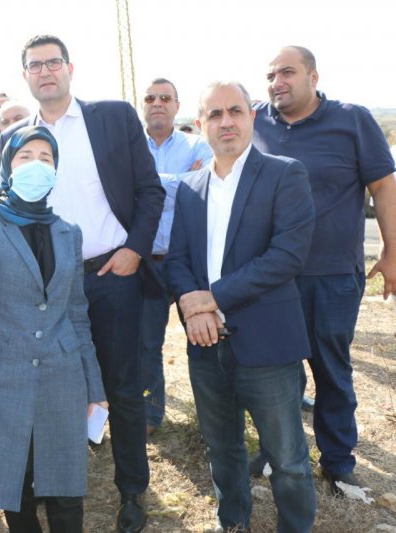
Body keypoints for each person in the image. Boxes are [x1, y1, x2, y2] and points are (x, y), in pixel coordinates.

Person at [1, 34, 164, 532]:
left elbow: (149, 190)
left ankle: (132, 491)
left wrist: (134, 250)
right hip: (49, 288)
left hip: (113, 274)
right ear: (25, 76)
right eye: (35, 66)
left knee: (122, 386)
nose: (45, 71)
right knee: (53, 389)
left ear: (69, 69)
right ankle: (56, 486)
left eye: (53, 62)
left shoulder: (112, 117)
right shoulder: (18, 138)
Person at [0, 125, 107, 533]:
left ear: (56, 169)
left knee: (66, 488)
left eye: (46, 158)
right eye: (25, 156)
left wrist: (94, 388)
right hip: (2, 372)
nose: (36, 165)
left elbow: (76, 313)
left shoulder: (68, 232)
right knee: (15, 483)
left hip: (61, 374)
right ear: (8, 165)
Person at [166, 81, 316, 533]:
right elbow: (177, 260)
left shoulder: (284, 174)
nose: (225, 121)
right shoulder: (190, 187)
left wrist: (214, 297)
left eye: (235, 110)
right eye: (215, 114)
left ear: (252, 116)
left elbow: (287, 256)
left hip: (268, 342)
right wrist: (195, 310)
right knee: (222, 448)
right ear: (200, 124)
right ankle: (232, 522)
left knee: (287, 458)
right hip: (205, 343)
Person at [252, 46, 396, 494]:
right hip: (271, 274)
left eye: (287, 72)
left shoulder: (352, 120)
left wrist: (391, 251)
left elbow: (383, 185)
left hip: (332, 274)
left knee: (331, 370)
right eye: (270, 75)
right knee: (276, 369)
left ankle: (337, 461)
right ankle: (278, 452)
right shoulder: (255, 121)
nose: (277, 82)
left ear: (313, 77)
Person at [140, 78, 213, 435]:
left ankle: (212, 419)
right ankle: (149, 416)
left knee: (204, 340)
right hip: (144, 261)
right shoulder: (128, 145)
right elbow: (124, 187)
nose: (157, 102)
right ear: (142, 105)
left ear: (176, 105)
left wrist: (148, 181)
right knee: (146, 343)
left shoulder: (199, 144)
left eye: (165, 97)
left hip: (189, 262)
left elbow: (206, 184)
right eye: (150, 97)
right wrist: (184, 179)